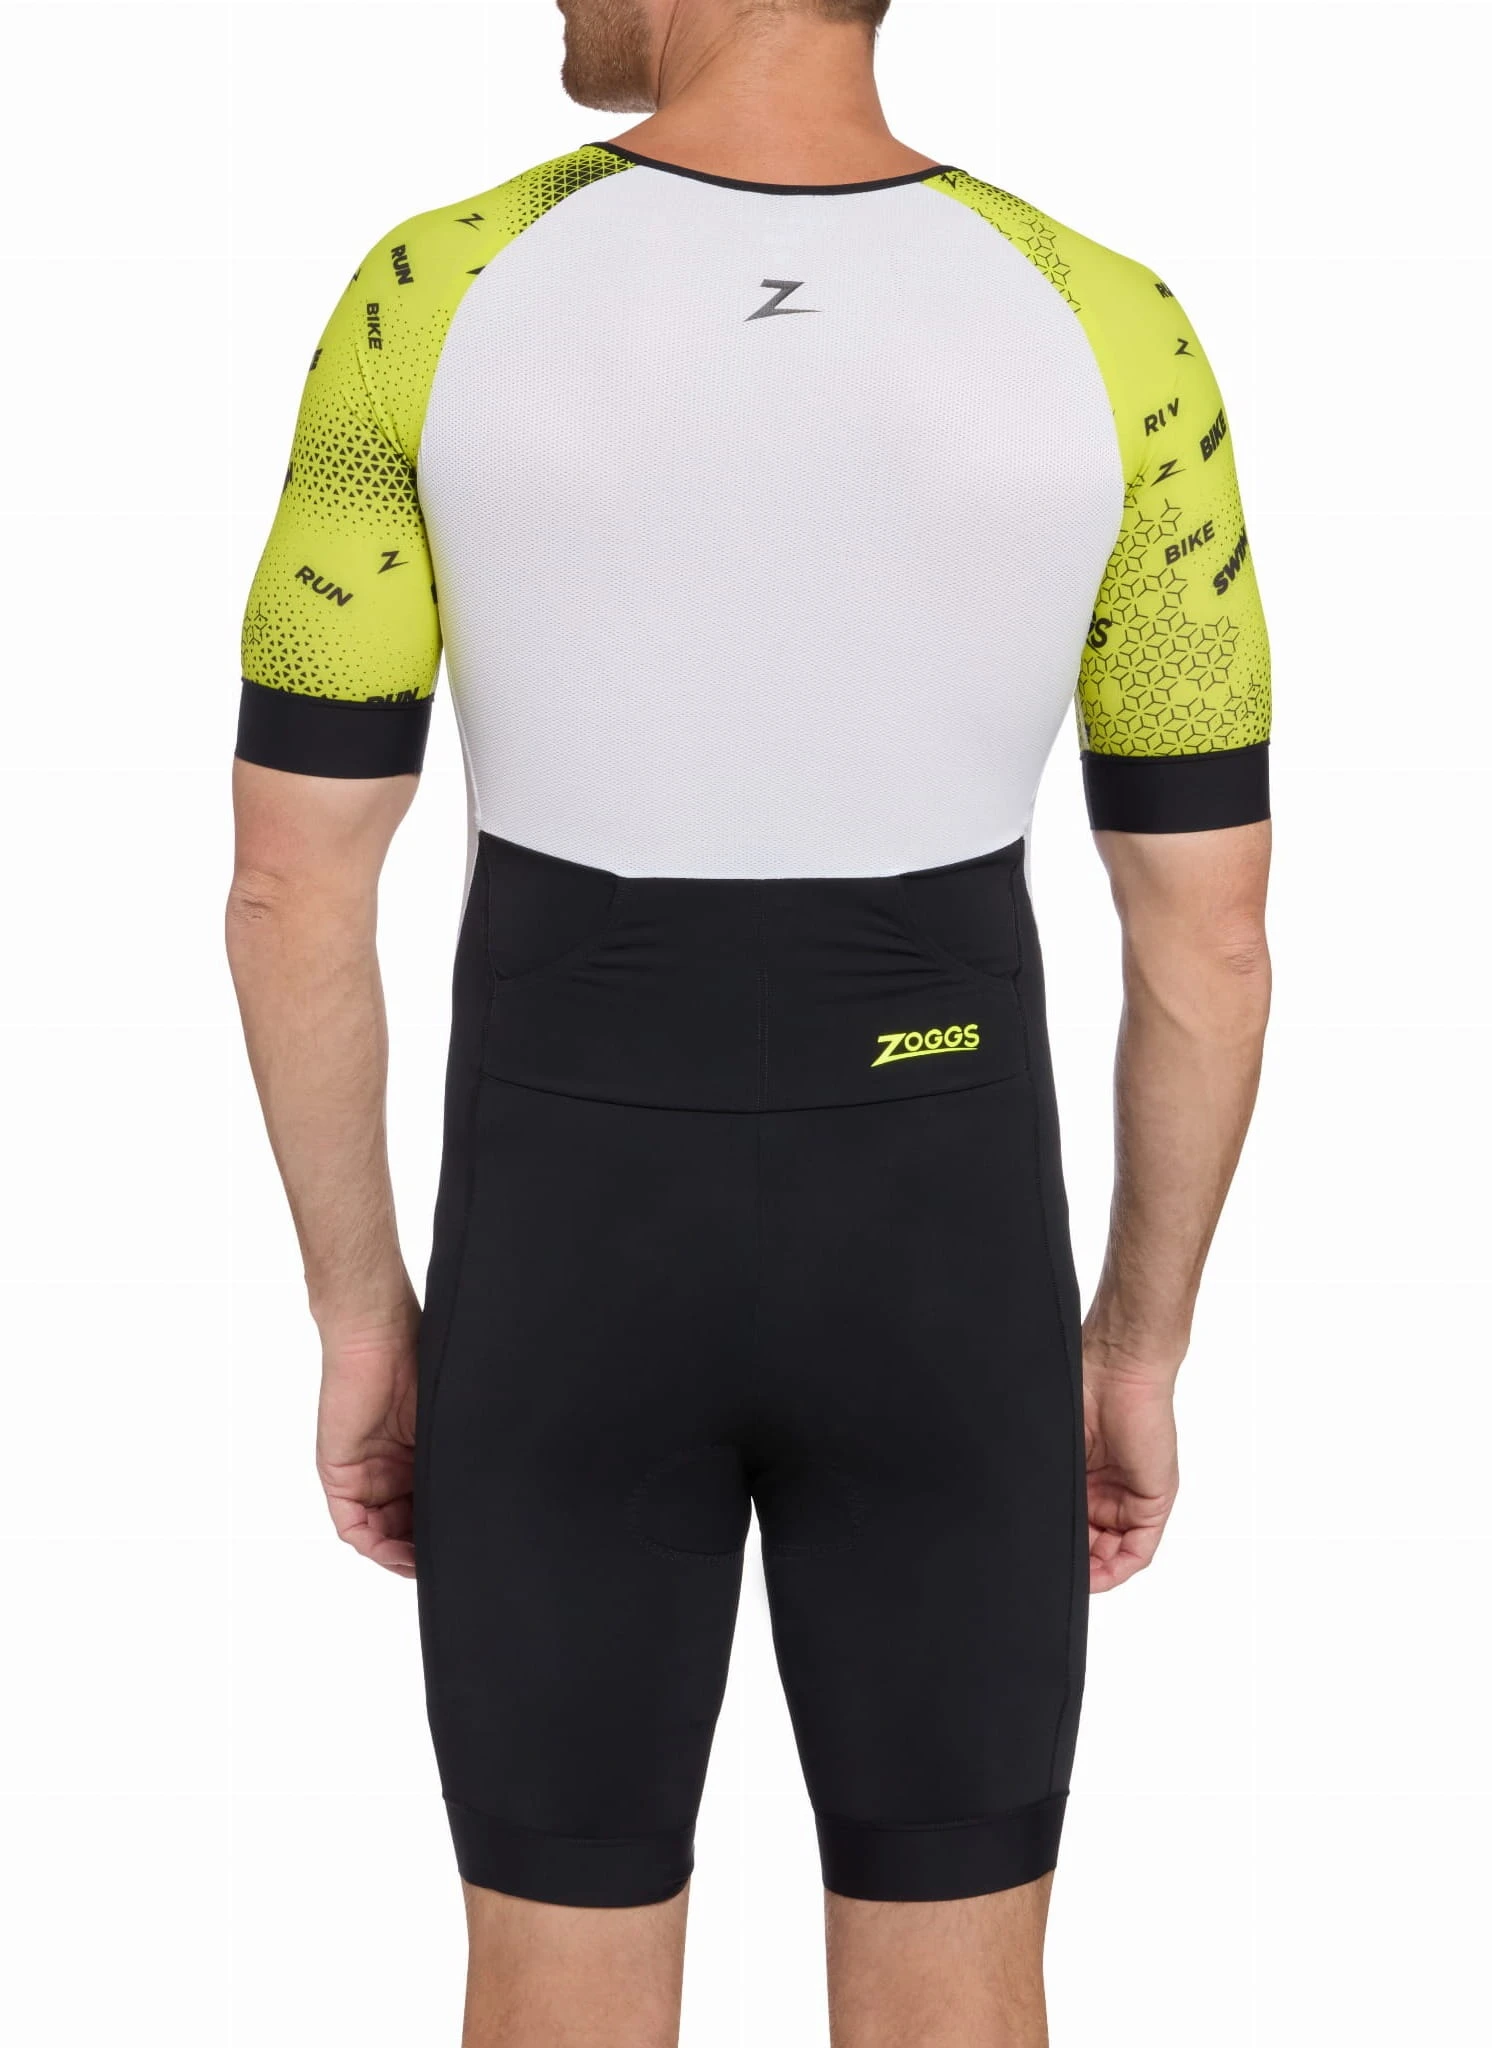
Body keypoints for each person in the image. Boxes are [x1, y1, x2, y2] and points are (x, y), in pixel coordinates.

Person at [225, 0, 1272, 2039]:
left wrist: (366, 1315)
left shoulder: (432, 294)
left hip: (563, 1243)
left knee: (553, 1973)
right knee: (962, 1977)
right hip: (945, 1242)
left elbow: (292, 884)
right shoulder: (1108, 322)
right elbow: (1207, 935)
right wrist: (1132, 1344)